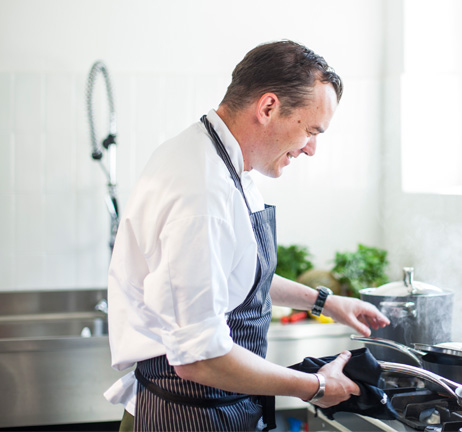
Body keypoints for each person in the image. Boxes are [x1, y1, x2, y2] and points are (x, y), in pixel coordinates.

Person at [103, 40, 390, 431]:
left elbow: (237, 272)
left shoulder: (219, 159)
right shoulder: (202, 192)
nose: (311, 149)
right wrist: (316, 386)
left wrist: (325, 302)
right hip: (187, 416)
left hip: (218, 409)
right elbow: (199, 359)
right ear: (268, 107)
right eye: (310, 130)